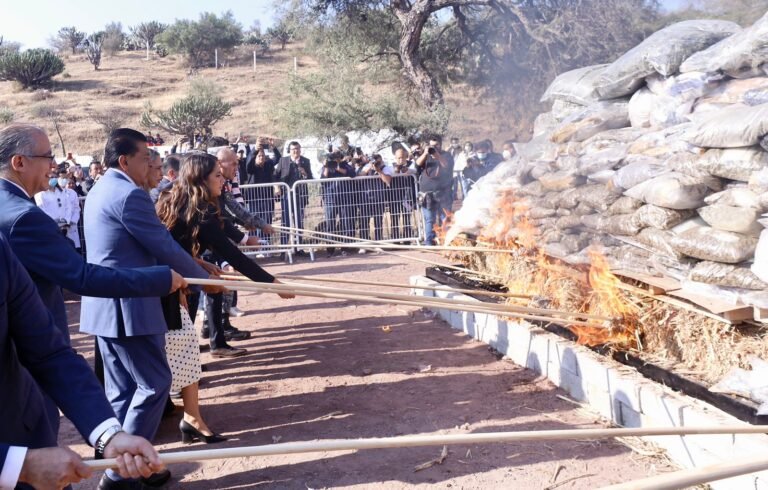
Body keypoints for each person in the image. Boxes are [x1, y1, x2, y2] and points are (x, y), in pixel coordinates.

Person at [0, 123, 187, 442]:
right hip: (26, 367)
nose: (54, 166)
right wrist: (160, 278)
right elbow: (81, 275)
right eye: (47, 157)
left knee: (120, 390)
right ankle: (118, 473)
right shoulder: (22, 216)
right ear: (19, 162)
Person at [80, 128, 213, 488]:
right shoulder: (128, 194)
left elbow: (147, 245)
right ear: (124, 161)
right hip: (130, 309)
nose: (151, 164)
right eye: (145, 158)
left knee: (122, 392)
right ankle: (119, 474)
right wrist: (199, 276)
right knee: (155, 383)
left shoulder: (101, 189)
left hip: (107, 309)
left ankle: (126, 467)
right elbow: (162, 244)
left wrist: (198, 268)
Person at [0, 233, 166, 490]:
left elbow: (48, 351)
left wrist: (108, 435)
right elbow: (80, 274)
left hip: (28, 441)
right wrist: (16, 465)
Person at [156, 151, 294, 361]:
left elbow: (173, 244)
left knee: (177, 330)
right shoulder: (199, 211)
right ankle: (177, 381)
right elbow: (233, 255)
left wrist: (198, 261)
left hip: (172, 272)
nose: (223, 180)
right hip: (168, 278)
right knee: (175, 331)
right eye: (217, 176)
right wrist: (275, 284)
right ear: (201, 179)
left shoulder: (187, 201)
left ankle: (180, 374)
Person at [415, 135, 454, 245]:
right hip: (427, 194)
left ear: (441, 144)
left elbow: (446, 165)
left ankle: (447, 241)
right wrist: (425, 153)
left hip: (443, 192)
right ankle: (429, 242)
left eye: (436, 145)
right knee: (429, 219)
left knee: (445, 218)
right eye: (432, 145)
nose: (434, 147)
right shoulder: (425, 155)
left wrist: (437, 156)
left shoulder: (447, 155)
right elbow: (417, 165)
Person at [274, 141, 313, 250]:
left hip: (300, 196)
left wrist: (305, 173)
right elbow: (275, 176)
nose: (295, 151)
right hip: (286, 196)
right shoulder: (283, 161)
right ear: (289, 150)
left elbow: (310, 178)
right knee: (286, 222)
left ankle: (298, 248)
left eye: (297, 148)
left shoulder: (305, 161)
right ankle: (284, 248)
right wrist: (277, 187)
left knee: (299, 222)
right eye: (293, 149)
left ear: (300, 149)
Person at [320, 151, 354, 257]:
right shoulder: (327, 166)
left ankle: (345, 248)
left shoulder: (345, 165)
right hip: (330, 199)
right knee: (330, 224)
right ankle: (330, 249)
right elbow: (323, 180)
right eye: (334, 157)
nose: (335, 159)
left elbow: (352, 174)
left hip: (345, 198)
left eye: (337, 157)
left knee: (346, 223)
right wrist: (326, 166)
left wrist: (339, 167)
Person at [390, 148, 417, 242]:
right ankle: (396, 239)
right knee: (395, 216)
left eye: (402, 157)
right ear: (395, 157)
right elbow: (390, 174)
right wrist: (396, 170)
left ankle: (407, 238)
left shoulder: (411, 164)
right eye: (398, 158)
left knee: (406, 216)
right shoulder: (391, 165)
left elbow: (413, 171)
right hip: (395, 195)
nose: (400, 160)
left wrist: (405, 169)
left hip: (407, 195)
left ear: (406, 157)